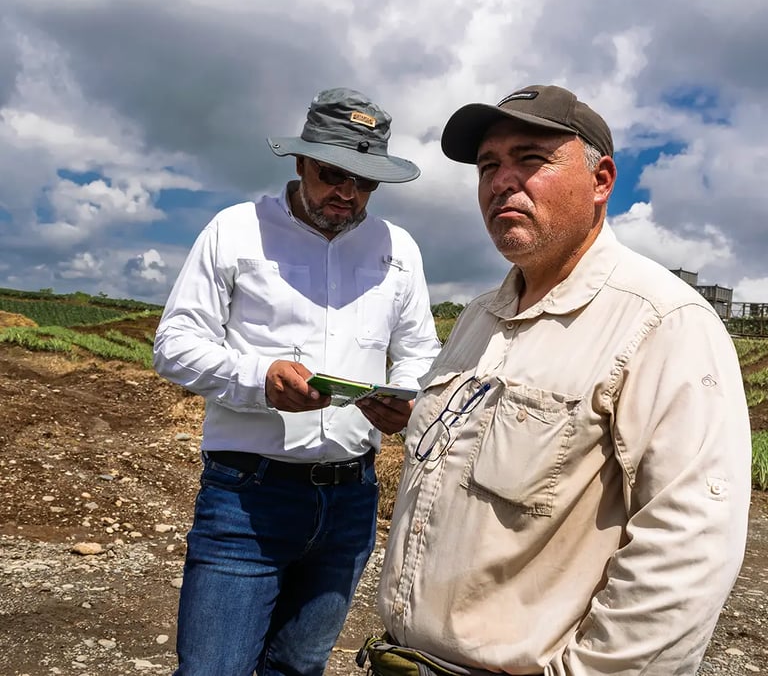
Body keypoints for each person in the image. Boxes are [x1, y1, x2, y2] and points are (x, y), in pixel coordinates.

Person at [373, 84, 752, 675]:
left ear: (601, 181)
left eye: (531, 159)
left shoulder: (662, 322)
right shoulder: (478, 317)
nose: (502, 181)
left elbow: (688, 554)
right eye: (488, 166)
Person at [154, 87, 441, 676]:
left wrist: (406, 397)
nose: (348, 193)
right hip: (246, 498)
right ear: (300, 161)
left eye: (365, 182)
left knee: (298, 669)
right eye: (334, 174)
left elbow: (420, 351)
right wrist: (259, 379)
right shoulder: (234, 231)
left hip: (352, 502)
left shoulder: (399, 250)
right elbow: (175, 345)